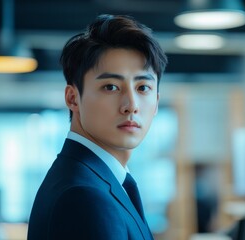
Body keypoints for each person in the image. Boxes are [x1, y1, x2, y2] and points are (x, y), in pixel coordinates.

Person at [27, 14, 167, 240]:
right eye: (111, 87)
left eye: (143, 88)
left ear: (156, 102)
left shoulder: (91, 179)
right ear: (73, 98)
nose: (131, 105)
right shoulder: (84, 196)